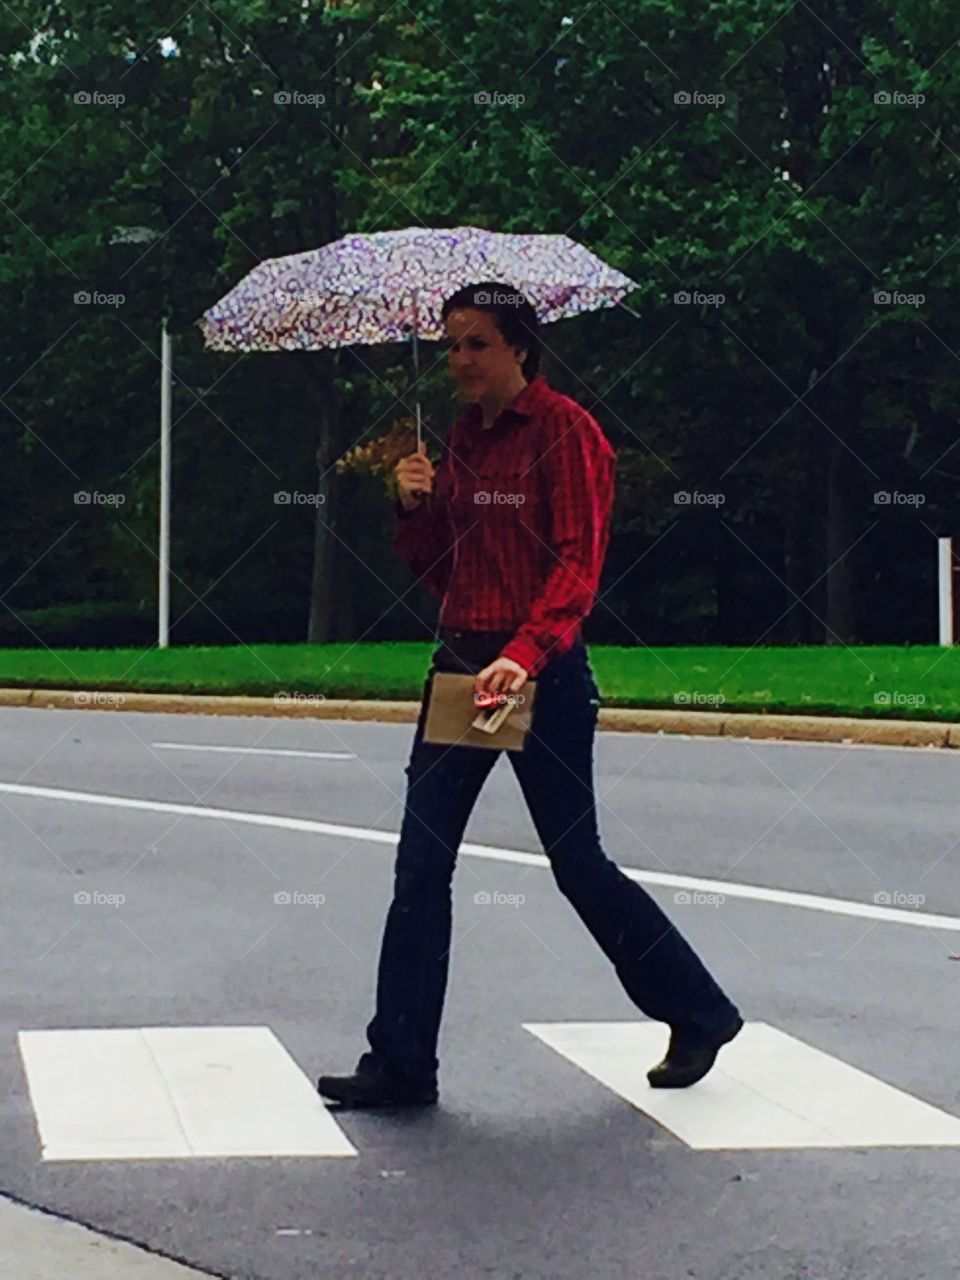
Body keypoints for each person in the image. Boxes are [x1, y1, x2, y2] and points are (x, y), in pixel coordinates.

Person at [318, 282, 742, 1108]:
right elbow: (445, 572)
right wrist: (412, 507)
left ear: (519, 347)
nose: (460, 360)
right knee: (420, 864)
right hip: (463, 669)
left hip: (541, 675)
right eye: (452, 345)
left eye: (477, 343)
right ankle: (400, 1064)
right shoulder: (459, 440)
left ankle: (700, 1012)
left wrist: (523, 655)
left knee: (577, 863)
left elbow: (578, 567)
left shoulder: (566, 433)